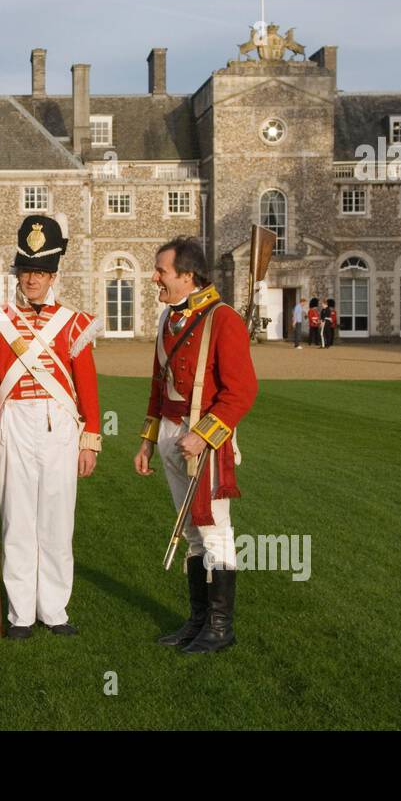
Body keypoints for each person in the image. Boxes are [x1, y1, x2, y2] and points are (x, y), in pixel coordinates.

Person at [0, 214, 102, 639]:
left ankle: (55, 610)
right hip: (14, 422)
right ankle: (20, 613)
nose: (33, 280)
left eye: (41, 272)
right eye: (27, 271)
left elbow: (86, 385)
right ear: (18, 273)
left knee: (57, 520)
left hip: (61, 424)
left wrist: (90, 439)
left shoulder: (73, 323)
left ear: (53, 276)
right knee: (17, 519)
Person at [133, 238, 258, 654]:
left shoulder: (224, 320)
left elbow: (242, 392)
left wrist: (202, 432)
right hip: (171, 432)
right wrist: (148, 440)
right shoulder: (168, 319)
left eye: (161, 271)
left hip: (204, 438)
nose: (155, 278)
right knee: (192, 533)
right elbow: (158, 384)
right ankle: (198, 620)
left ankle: (221, 627)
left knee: (216, 532)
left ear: (187, 276)